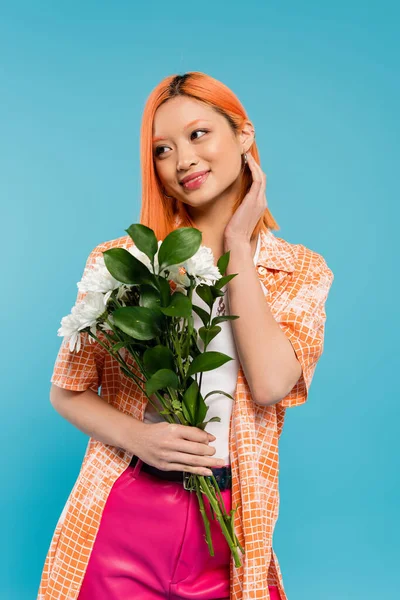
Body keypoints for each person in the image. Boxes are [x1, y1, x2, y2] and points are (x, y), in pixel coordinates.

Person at [37, 71, 334, 600]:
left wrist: (239, 245)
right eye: (163, 150)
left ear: (243, 135)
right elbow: (67, 391)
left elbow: (269, 385)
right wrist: (139, 439)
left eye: (199, 135)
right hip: (124, 514)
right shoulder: (123, 264)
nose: (183, 161)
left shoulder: (302, 272)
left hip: (230, 524)